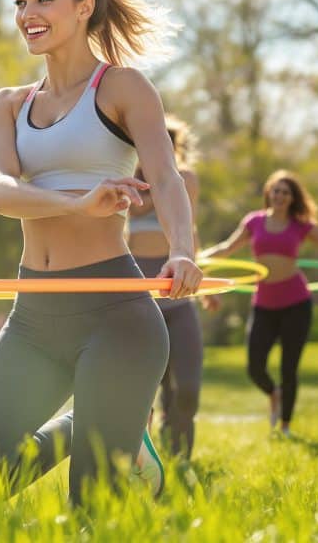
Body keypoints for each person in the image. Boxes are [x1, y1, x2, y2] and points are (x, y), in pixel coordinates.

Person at [0, 0, 202, 506]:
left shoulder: (122, 87)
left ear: (84, 7)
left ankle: (107, 424)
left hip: (115, 313)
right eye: (19, 1)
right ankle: (89, 425)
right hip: (34, 316)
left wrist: (184, 250)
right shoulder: (9, 104)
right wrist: (75, 203)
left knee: (91, 507)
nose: (27, 14)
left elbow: (165, 177)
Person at [201, 170, 318, 436]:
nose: (280, 196)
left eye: (285, 192)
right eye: (276, 190)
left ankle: (285, 425)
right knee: (255, 366)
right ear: (268, 193)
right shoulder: (253, 222)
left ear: (293, 198)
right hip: (264, 304)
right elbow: (225, 249)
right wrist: (195, 259)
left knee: (289, 367)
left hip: (296, 303)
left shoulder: (300, 226)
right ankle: (274, 394)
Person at [127, 116, 215, 460]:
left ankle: (180, 446)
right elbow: (133, 212)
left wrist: (203, 283)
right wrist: (154, 185)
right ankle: (153, 452)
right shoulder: (129, 177)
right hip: (138, 287)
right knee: (149, 381)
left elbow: (188, 228)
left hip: (175, 286)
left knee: (188, 387)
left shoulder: (186, 177)